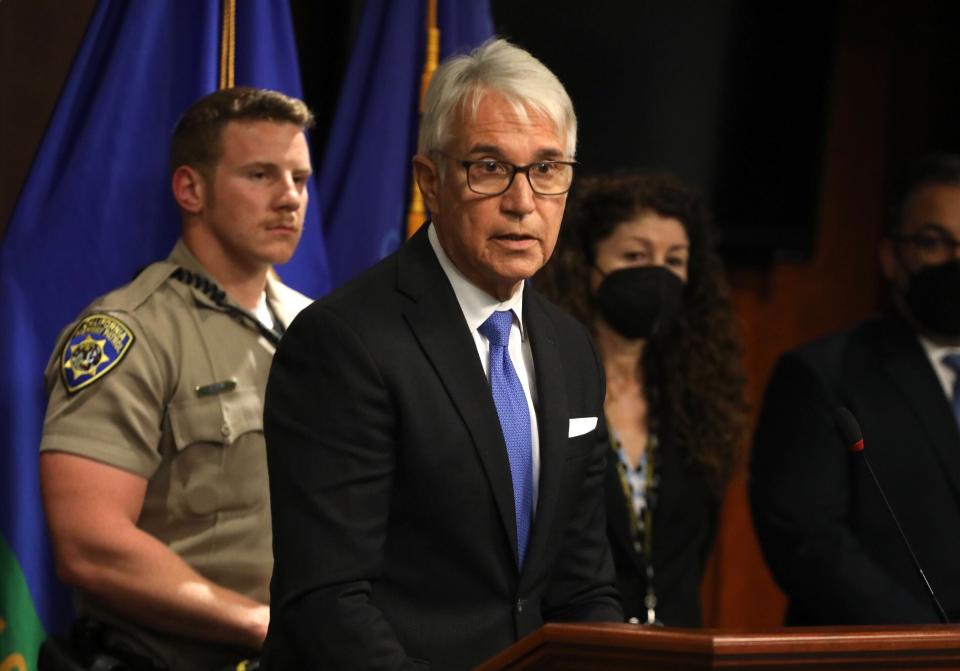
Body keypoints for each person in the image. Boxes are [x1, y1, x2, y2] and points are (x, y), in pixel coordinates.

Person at [262, 39, 622, 670]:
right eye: (489, 167)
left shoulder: (571, 349)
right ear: (430, 181)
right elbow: (328, 600)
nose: (522, 202)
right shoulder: (345, 342)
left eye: (547, 169)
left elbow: (582, 585)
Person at [39, 86, 315, 669]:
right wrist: (260, 624)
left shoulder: (319, 331)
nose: (289, 198)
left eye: (300, 178)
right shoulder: (129, 334)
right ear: (191, 189)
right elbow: (90, 546)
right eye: (261, 175)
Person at [750, 153, 960, 624]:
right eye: (934, 242)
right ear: (891, 256)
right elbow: (808, 539)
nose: (956, 261)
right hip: (884, 653)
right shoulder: (823, 373)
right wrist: (930, 644)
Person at [535, 173, 747, 626]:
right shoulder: (546, 381)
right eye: (635, 256)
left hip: (676, 648)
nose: (658, 275)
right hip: (574, 643)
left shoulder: (699, 399)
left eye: (675, 260)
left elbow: (695, 547)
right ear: (586, 264)